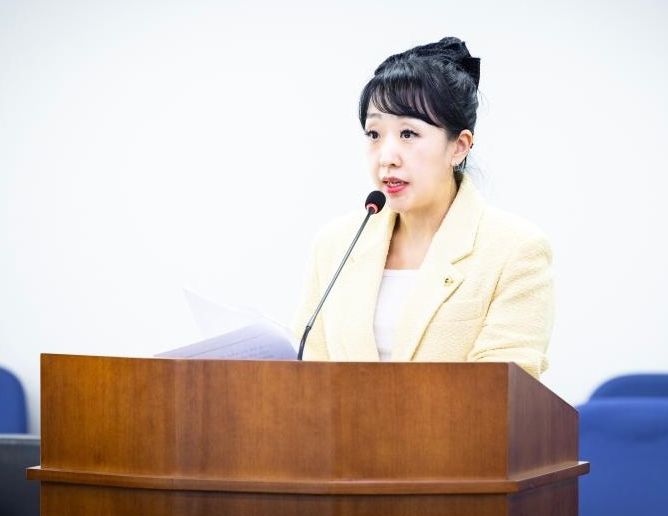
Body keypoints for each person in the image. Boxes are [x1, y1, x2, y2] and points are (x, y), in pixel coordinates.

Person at [292, 37, 553, 379]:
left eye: (408, 134)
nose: (386, 157)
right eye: (374, 134)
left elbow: (500, 392)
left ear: (459, 147)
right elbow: (307, 372)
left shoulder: (515, 250)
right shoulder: (335, 245)